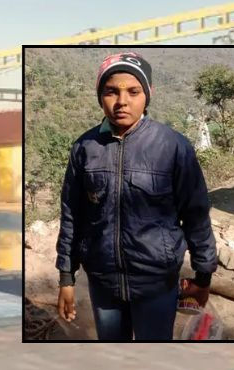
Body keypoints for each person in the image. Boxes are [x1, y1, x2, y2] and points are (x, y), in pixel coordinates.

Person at [55, 51, 217, 341]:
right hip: (103, 284)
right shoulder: (85, 148)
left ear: (148, 94)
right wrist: (66, 277)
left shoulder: (173, 146)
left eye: (133, 91)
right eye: (111, 92)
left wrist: (203, 276)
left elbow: (196, 215)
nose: (122, 101)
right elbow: (71, 215)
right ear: (100, 96)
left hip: (157, 284)